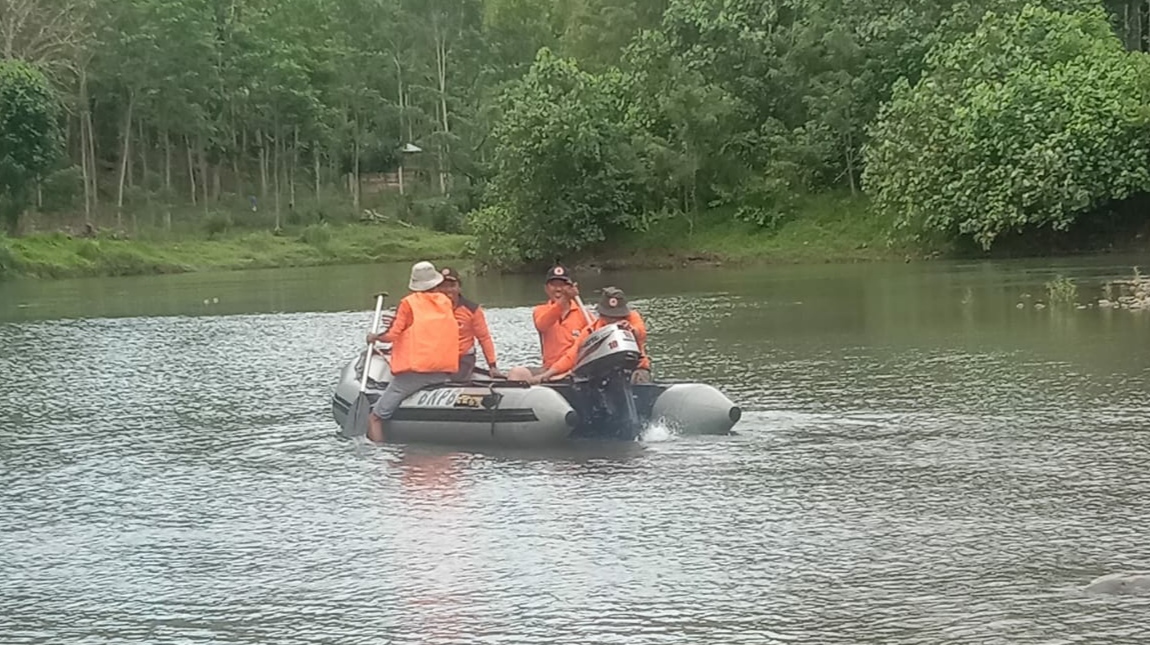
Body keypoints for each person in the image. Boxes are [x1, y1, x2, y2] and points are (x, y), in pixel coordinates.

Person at [364, 261, 459, 444]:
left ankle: (378, 456)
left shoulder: (408, 304)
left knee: (375, 418)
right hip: (442, 373)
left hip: (414, 376)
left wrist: (374, 337)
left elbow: (392, 335)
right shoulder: (445, 302)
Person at [521, 286, 653, 385]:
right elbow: (572, 356)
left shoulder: (633, 318)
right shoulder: (591, 330)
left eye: (618, 316)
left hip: (635, 369)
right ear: (602, 315)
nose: (614, 320)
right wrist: (548, 374)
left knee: (640, 379)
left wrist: (631, 330)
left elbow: (641, 332)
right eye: (610, 317)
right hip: (603, 374)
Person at [505, 264, 594, 382]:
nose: (558, 289)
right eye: (554, 285)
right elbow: (542, 325)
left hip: (575, 369)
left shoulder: (584, 314)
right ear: (546, 288)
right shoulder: (540, 311)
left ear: (570, 287)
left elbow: (598, 333)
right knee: (517, 373)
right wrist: (563, 300)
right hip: (549, 370)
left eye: (562, 285)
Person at [438, 267, 503, 381]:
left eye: (452, 286)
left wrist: (492, 365)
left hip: (463, 358)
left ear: (459, 288)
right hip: (438, 358)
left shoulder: (472, 309)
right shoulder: (429, 309)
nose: (447, 290)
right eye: (442, 286)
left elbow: (484, 338)